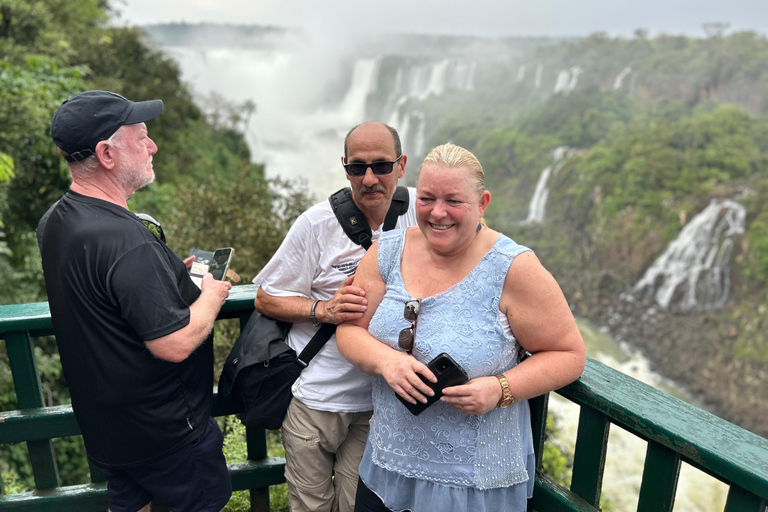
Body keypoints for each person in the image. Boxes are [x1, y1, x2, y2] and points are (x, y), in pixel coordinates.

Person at [336, 143, 586, 512]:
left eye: (454, 201)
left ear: (483, 203)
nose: (438, 213)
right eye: (427, 198)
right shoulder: (386, 252)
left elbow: (570, 355)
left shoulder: (514, 268)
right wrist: (387, 362)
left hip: (472, 482)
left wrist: (501, 388)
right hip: (388, 464)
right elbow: (349, 331)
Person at [37, 90, 233, 512]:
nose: (153, 146)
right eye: (141, 137)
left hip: (109, 428)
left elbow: (101, 294)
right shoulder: (126, 241)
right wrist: (212, 295)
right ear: (107, 154)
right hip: (168, 435)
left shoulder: (55, 220)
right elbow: (174, 343)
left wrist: (166, 277)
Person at [252, 121, 418, 512]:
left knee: (357, 504)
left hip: (381, 402)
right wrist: (321, 310)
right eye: (357, 167)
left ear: (402, 164)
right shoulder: (316, 224)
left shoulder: (423, 217)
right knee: (311, 505)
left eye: (381, 165)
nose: (370, 178)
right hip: (317, 398)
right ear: (344, 168)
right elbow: (265, 297)